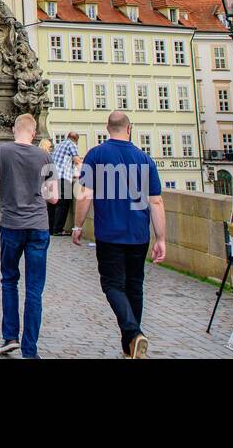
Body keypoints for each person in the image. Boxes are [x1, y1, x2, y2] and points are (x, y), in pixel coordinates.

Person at [72, 110, 165, 359]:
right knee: (135, 286)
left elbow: (85, 194)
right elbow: (156, 202)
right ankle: (129, 347)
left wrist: (77, 225)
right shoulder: (145, 159)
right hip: (138, 234)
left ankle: (133, 334)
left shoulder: (96, 155)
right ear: (129, 128)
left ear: (107, 128)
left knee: (112, 284)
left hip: (109, 234)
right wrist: (161, 238)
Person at [0, 113, 57, 357]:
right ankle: (30, 349)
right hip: (38, 227)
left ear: (14, 129)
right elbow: (53, 196)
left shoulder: (0, 153)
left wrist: (6, 184)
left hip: (11, 225)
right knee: (34, 289)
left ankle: (10, 336)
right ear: (34, 133)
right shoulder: (45, 155)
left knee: (9, 280)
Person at [48, 132, 79, 235]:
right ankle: (58, 229)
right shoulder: (71, 144)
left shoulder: (59, 145)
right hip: (62, 178)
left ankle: (51, 228)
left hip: (52, 177)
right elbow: (77, 160)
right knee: (63, 204)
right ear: (76, 139)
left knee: (53, 204)